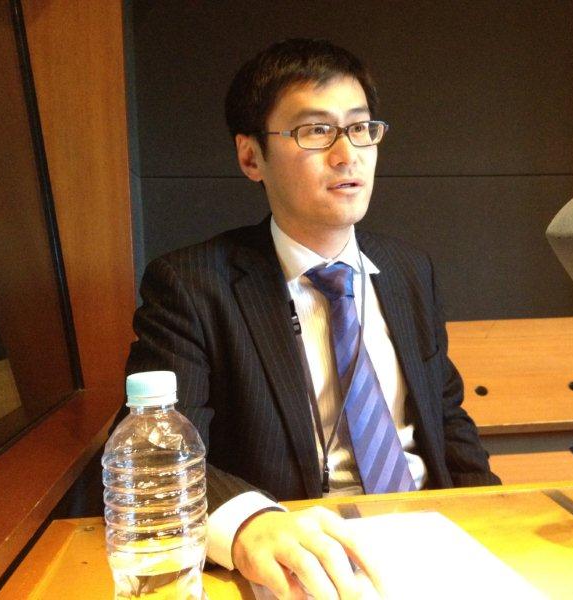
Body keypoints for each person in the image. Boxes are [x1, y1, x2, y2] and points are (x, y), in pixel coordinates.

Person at [126, 38, 501, 599]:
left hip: (431, 541)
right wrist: (250, 523)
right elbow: (158, 453)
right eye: (316, 131)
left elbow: (446, 418)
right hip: (299, 556)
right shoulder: (192, 285)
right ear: (251, 157)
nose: (348, 155)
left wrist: (493, 514)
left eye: (361, 128)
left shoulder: (408, 270)